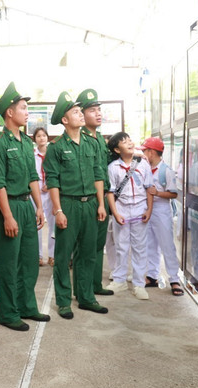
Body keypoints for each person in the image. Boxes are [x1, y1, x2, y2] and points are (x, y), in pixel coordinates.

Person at [0, 82, 48, 332]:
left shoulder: (25, 142)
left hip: (26, 206)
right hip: (9, 206)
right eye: (23, 108)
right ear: (9, 112)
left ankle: (27, 306)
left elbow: (33, 176)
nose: (27, 112)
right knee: (8, 264)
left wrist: (39, 207)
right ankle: (9, 313)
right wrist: (8, 216)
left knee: (29, 261)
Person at [44, 91, 108, 319]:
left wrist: (101, 204)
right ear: (64, 119)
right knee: (63, 256)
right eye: (75, 112)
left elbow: (98, 175)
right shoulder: (56, 147)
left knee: (88, 254)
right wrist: (58, 210)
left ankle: (86, 297)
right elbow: (52, 180)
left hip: (90, 204)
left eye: (81, 111)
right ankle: (63, 301)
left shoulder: (91, 144)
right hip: (68, 205)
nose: (81, 115)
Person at [105, 132, 153, 300]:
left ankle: (139, 284)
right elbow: (110, 192)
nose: (130, 143)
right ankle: (119, 280)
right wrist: (115, 213)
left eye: (130, 140)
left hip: (140, 209)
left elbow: (149, 188)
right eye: (125, 142)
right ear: (117, 150)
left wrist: (149, 210)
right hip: (122, 211)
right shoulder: (113, 168)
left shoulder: (143, 164)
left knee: (140, 248)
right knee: (121, 246)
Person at [75, 89, 113, 296]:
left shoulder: (99, 138)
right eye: (92, 110)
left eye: (99, 109)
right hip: (88, 199)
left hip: (103, 197)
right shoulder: (80, 138)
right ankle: (84, 289)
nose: (98, 114)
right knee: (85, 247)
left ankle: (95, 284)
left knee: (98, 244)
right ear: (81, 114)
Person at [139, 137, 183, 296]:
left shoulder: (166, 171)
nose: (143, 154)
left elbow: (173, 194)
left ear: (151, 152)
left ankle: (174, 279)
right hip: (147, 209)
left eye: (145, 151)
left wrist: (157, 193)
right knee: (150, 243)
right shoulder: (144, 168)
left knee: (167, 245)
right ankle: (152, 275)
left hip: (162, 210)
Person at [32, 127, 55, 266]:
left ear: (47, 137)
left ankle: (52, 255)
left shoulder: (52, 153)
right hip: (37, 191)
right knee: (37, 223)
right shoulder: (32, 154)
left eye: (44, 135)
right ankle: (38, 255)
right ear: (34, 139)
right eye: (38, 136)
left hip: (51, 191)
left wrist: (49, 184)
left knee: (53, 224)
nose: (41, 138)